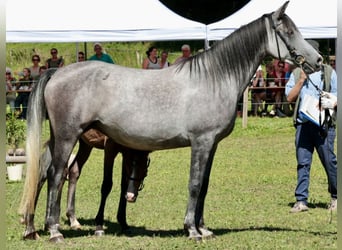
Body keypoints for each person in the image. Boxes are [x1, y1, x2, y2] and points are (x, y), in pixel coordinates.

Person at [285, 40, 337, 213]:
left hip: (324, 125)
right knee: (303, 163)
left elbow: (337, 97)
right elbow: (289, 98)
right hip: (304, 125)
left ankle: (336, 197)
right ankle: (301, 200)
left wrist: (326, 102)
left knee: (330, 162)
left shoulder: (329, 72)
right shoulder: (296, 73)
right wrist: (300, 81)